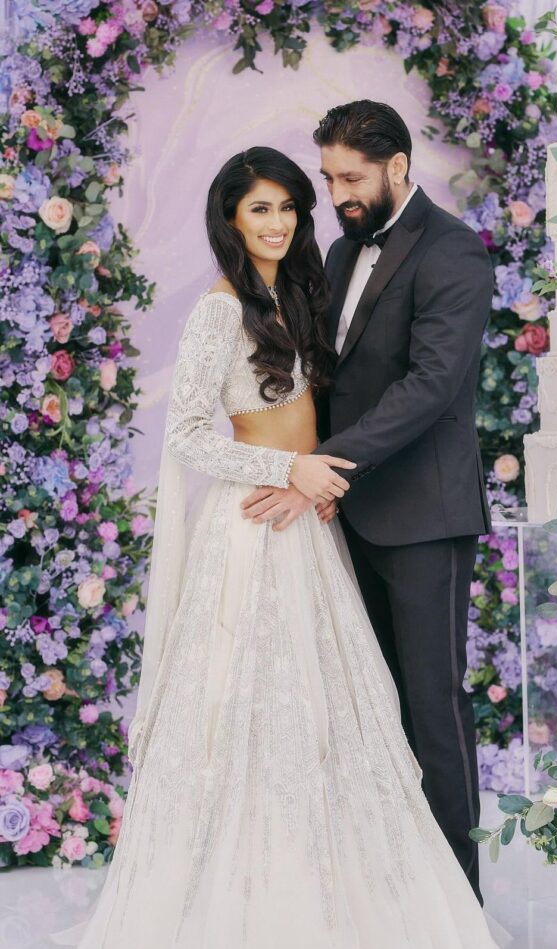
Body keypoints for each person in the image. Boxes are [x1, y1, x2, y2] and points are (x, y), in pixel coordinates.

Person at [71, 147, 497, 948]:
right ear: (230, 216)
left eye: (289, 206)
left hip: (311, 523)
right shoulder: (220, 309)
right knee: (245, 713)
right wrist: (292, 469)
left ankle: (361, 889)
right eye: (260, 207)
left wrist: (318, 477)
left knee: (340, 716)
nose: (280, 221)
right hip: (255, 526)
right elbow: (191, 434)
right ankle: (250, 896)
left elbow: (376, 391)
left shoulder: (298, 293)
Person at [240, 103, 494, 904]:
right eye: (329, 178)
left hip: (423, 519)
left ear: (397, 165)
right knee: (372, 715)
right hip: (345, 515)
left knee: (432, 711)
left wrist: (318, 463)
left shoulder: (454, 250)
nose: (338, 193)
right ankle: (396, 895)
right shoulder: (344, 250)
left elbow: (430, 385)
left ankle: (459, 903)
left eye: (351, 177)